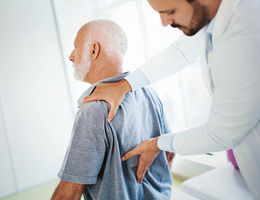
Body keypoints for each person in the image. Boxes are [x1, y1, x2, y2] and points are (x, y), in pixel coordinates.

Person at [83, 0, 260, 199]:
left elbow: (220, 134)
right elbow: (181, 52)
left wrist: (158, 144)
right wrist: (125, 85)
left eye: (170, 11)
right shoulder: (214, 18)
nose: (164, 22)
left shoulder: (243, 33)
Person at [51, 19, 174, 200]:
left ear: (94, 51)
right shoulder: (149, 93)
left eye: (76, 47)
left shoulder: (93, 110)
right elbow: (169, 152)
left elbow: (69, 191)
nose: (71, 56)